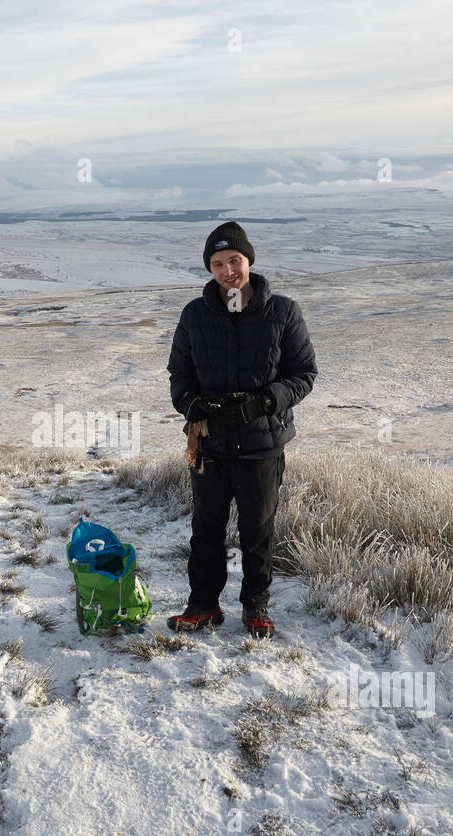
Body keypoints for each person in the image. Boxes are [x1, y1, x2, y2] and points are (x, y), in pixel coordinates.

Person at [165, 221, 318, 638]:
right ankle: (203, 605)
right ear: (210, 269)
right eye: (218, 263)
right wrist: (190, 402)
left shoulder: (283, 312)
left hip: (261, 443)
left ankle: (255, 608)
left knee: (257, 531)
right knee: (206, 529)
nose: (228, 270)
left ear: (248, 259)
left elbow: (303, 374)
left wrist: (267, 400)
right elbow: (179, 374)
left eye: (234, 260)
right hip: (210, 442)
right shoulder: (195, 314)